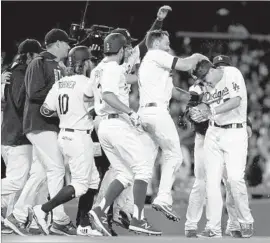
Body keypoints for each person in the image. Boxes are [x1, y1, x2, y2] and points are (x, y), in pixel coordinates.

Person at [92, 5, 173, 232]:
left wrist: (158, 22)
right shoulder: (113, 68)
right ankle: (132, 217)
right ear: (120, 47)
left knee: (123, 172)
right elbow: (110, 93)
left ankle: (104, 212)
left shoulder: (99, 68)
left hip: (104, 121)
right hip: (115, 118)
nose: (131, 49)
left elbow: (143, 48)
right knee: (142, 168)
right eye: (127, 45)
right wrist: (130, 112)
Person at [5, 28, 75, 236]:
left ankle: (17, 216)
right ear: (56, 43)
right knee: (56, 170)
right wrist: (60, 87)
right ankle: (58, 219)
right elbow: (34, 92)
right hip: (39, 124)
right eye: (66, 43)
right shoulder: (39, 62)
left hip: (48, 125)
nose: (70, 47)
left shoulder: (57, 65)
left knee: (41, 173)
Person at [137, 29, 208, 222]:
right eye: (166, 41)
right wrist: (197, 56)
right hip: (157, 113)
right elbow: (185, 65)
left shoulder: (151, 63)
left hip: (144, 113)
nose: (169, 45)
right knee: (174, 154)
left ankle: (134, 213)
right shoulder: (156, 54)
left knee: (144, 166)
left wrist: (193, 96)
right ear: (157, 42)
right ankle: (163, 198)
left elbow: (173, 92)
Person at [31, 46, 101, 236]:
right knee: (81, 185)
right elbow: (98, 109)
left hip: (64, 134)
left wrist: (66, 115)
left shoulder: (60, 83)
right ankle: (43, 210)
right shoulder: (87, 83)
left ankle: (83, 224)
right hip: (79, 136)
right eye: (90, 61)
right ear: (85, 63)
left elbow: (44, 111)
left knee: (93, 180)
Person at [184, 55, 253, 238]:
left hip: (234, 133)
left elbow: (236, 101)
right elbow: (200, 106)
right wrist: (198, 112)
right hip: (213, 133)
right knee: (211, 183)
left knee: (235, 179)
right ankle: (213, 228)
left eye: (205, 79)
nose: (206, 83)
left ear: (213, 70)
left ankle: (245, 220)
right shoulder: (206, 85)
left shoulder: (232, 73)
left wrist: (210, 110)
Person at [1, 39, 43, 234]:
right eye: (36, 55)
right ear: (29, 55)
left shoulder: (11, 72)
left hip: (9, 135)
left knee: (15, 181)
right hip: (17, 136)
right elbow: (20, 103)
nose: (38, 60)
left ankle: (5, 221)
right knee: (16, 181)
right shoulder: (20, 72)